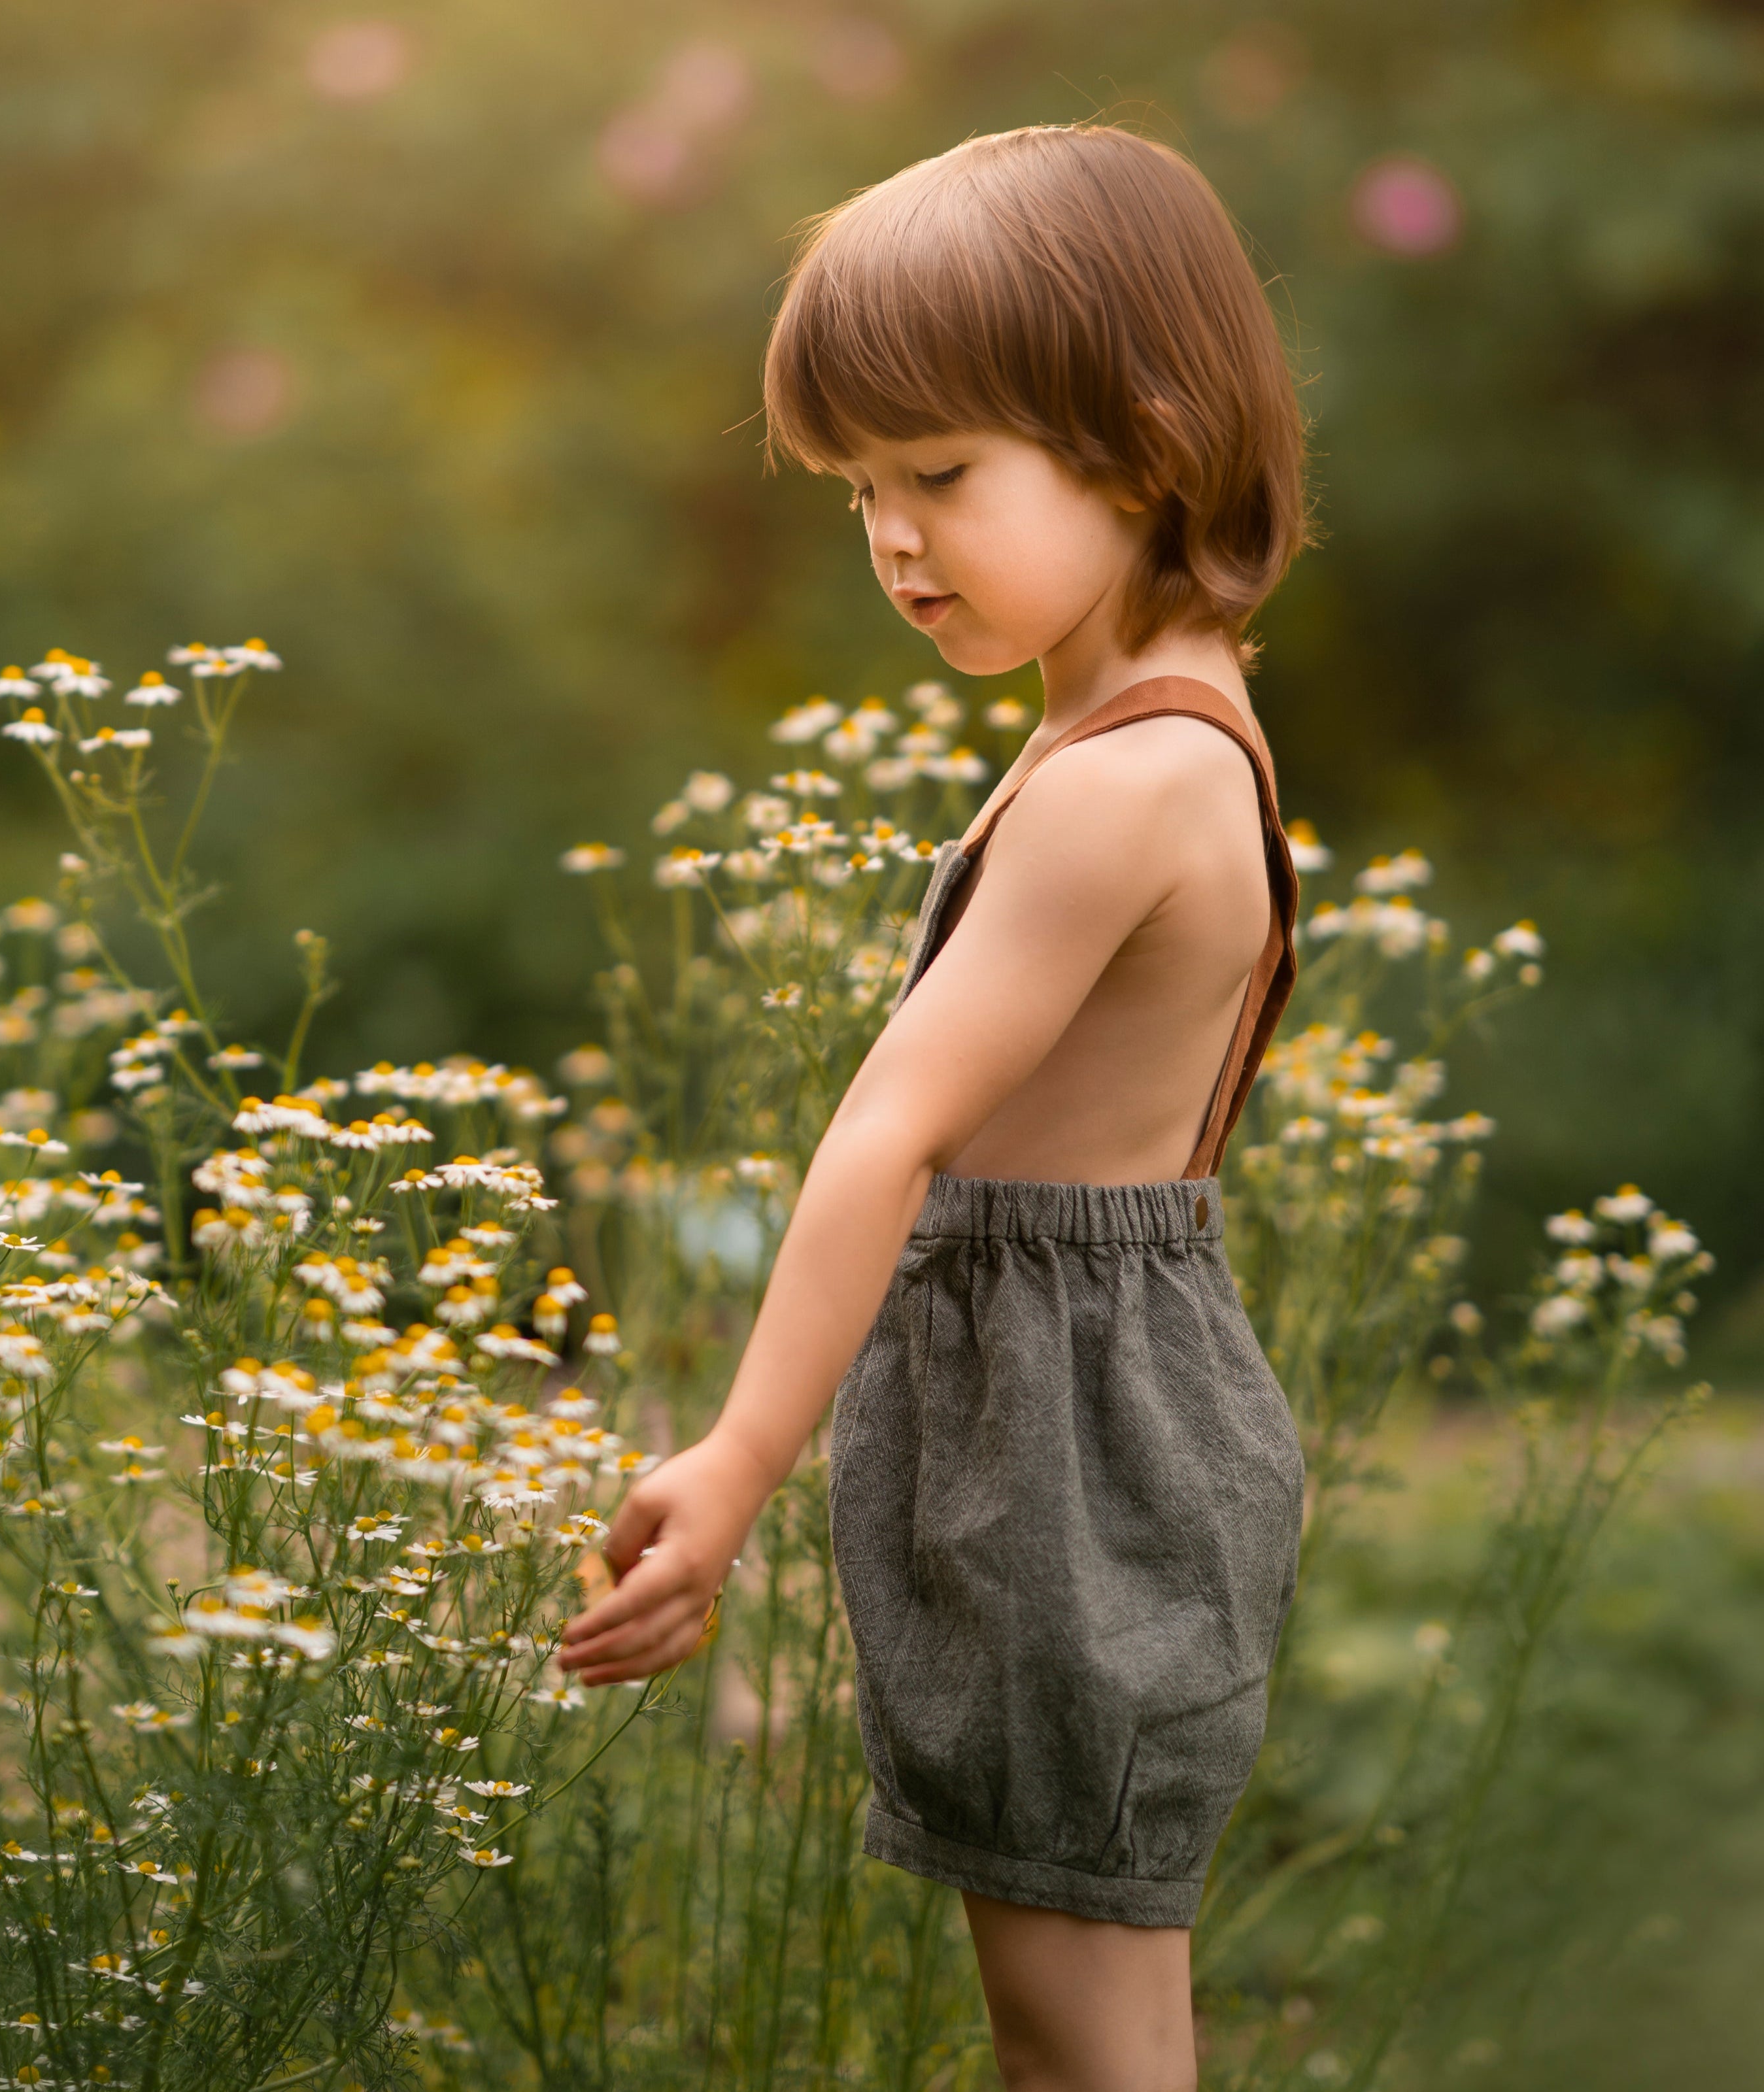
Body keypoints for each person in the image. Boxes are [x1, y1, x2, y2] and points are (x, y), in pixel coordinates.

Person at [559, 123, 1310, 2092]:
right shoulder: (1155, 719)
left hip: (1064, 1447)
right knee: (1091, 1994)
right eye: (862, 491)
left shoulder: (1114, 782)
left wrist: (730, 1462)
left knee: (1073, 2019)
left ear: (1147, 440)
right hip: (1079, 1409)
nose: (895, 539)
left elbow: (889, 1135)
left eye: (943, 475)